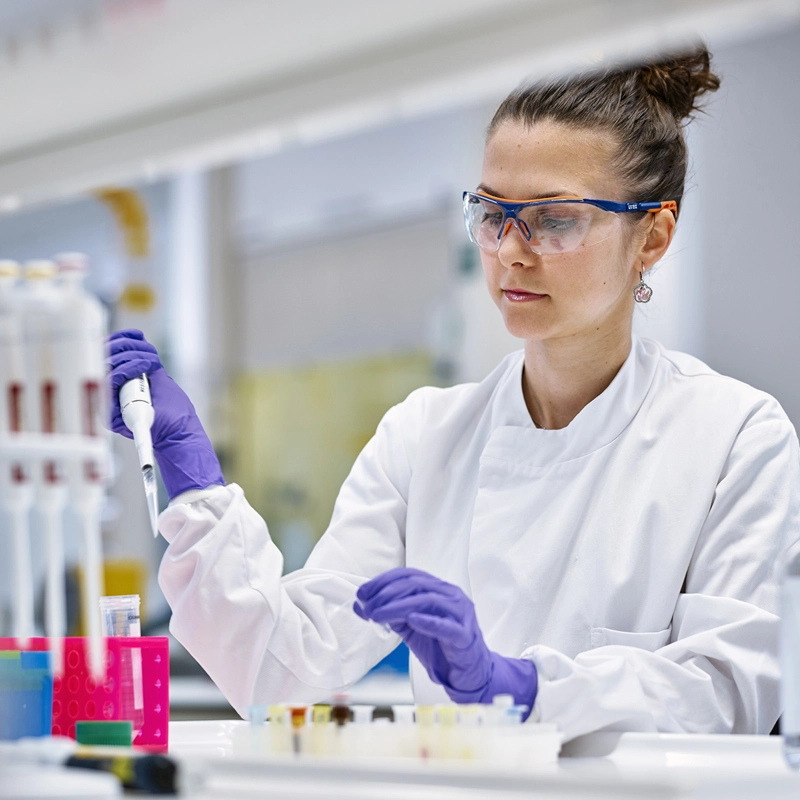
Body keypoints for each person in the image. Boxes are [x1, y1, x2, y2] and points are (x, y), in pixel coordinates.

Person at [107, 46, 800, 742]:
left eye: (555, 219)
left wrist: (519, 687)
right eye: (494, 213)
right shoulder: (425, 436)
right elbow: (284, 671)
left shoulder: (734, 436)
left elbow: (729, 693)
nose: (510, 250)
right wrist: (191, 476)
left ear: (653, 235)